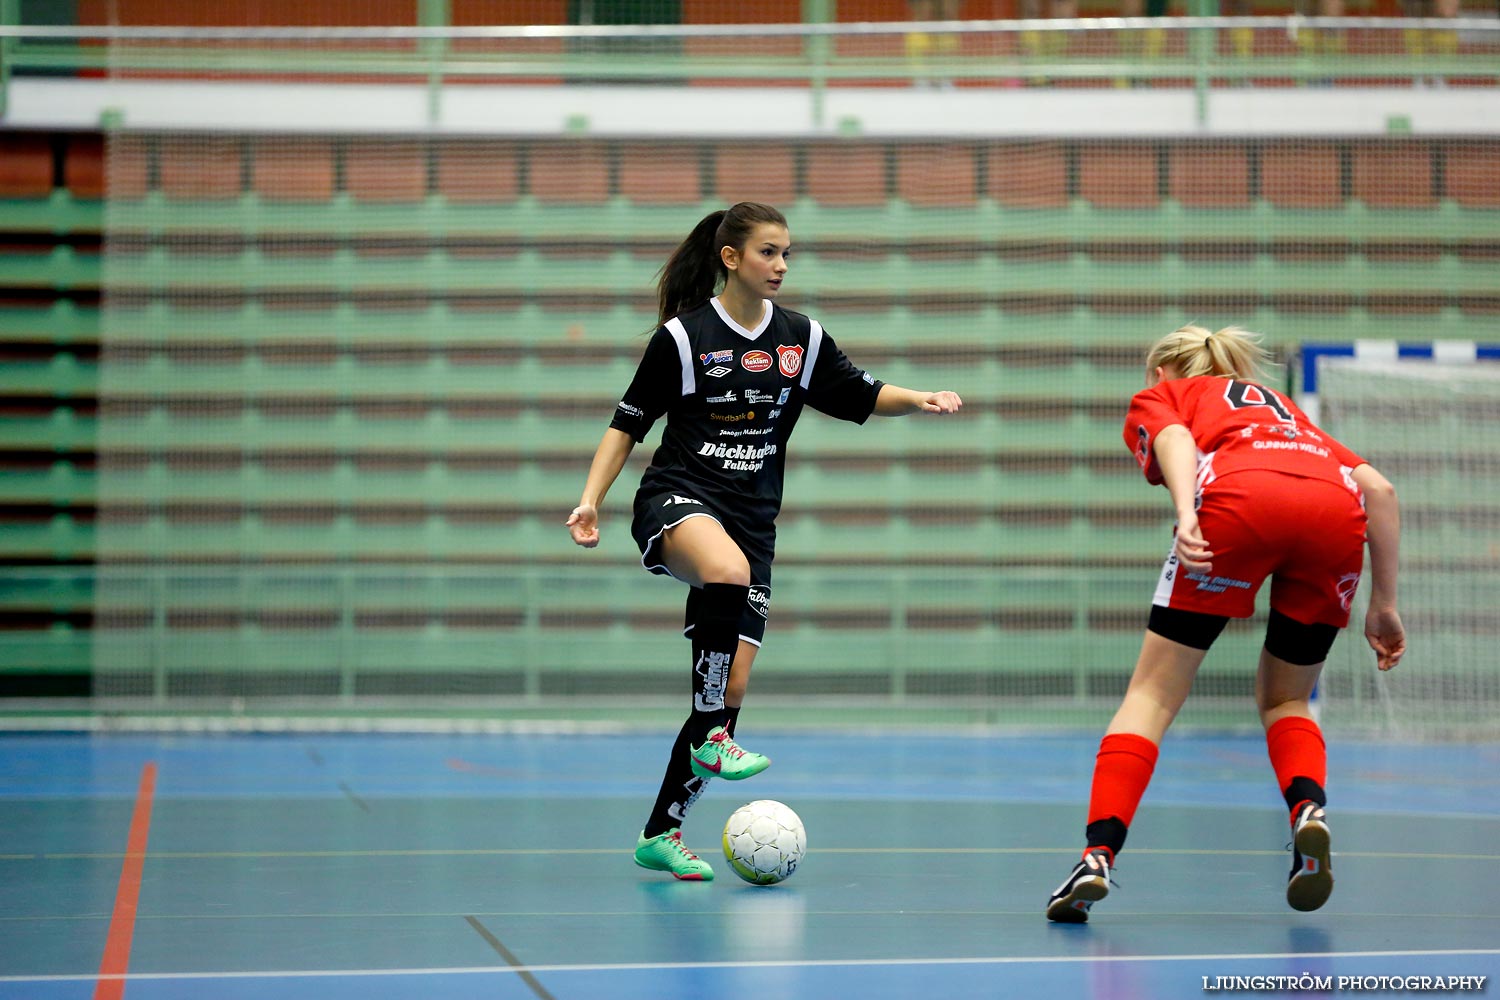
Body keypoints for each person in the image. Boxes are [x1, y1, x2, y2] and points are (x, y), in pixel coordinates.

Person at [566, 202, 963, 881]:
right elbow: (626, 423)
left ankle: (661, 830)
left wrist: (920, 397)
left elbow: (861, 392)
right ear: (731, 258)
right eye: (768, 253)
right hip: (678, 497)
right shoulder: (684, 340)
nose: (780, 266)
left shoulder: (800, 340)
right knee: (723, 570)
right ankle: (713, 737)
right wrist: (588, 500)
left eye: (787, 254)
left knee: (732, 682)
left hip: (753, 519)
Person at [1045, 324, 1404, 923]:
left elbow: (1176, 437)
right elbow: (1380, 490)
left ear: (1162, 371)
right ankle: (1308, 811)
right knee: (1287, 697)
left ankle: (1098, 857)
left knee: (1152, 696)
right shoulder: (1286, 414)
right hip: (1333, 519)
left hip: (1238, 505)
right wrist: (1384, 603)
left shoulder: (1166, 395)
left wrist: (1187, 513)